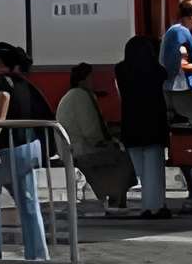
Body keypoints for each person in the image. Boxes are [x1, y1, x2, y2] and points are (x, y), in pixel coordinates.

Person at [0, 42, 52, 262]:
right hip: (29, 147)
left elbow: (1, 106)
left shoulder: (2, 82)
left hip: (4, 150)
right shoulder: (26, 84)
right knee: (29, 203)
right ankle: (37, 253)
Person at [54, 62, 135, 211]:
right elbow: (91, 132)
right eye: (91, 78)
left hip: (70, 149)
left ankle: (114, 198)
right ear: (83, 79)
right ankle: (116, 201)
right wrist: (109, 141)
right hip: (81, 150)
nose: (94, 81)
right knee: (123, 158)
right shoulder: (81, 96)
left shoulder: (71, 96)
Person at [115, 26, 172, 219]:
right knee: (154, 167)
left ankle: (149, 206)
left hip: (131, 124)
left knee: (142, 170)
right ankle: (154, 206)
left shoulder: (120, 70)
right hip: (153, 123)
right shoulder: (157, 71)